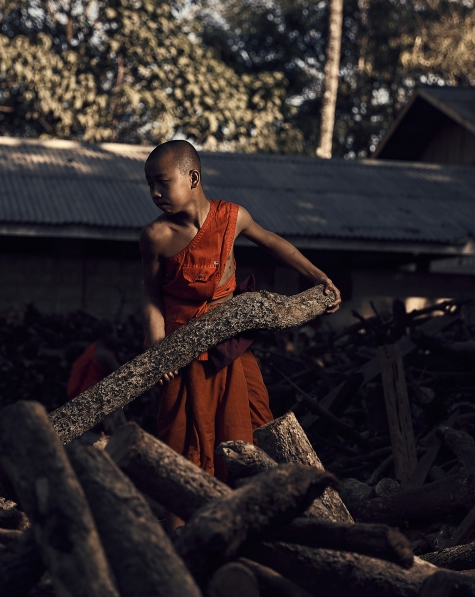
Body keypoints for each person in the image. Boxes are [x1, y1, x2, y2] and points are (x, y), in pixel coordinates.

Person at [139, 140, 341, 485]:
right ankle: (189, 526)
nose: (155, 193)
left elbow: (273, 242)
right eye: (150, 185)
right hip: (182, 350)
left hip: (231, 344)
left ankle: (264, 511)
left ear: (192, 177)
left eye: (162, 181)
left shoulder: (233, 217)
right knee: (185, 442)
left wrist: (319, 277)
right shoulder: (156, 235)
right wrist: (156, 352)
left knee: (254, 422)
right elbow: (150, 295)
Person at [66, 320, 126, 436]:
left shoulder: (93, 349)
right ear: (106, 335)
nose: (115, 337)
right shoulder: (104, 355)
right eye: (113, 334)